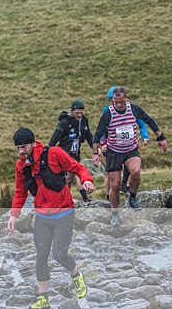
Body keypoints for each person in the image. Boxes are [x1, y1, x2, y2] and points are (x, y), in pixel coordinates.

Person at [7, 127, 95, 309]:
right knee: (41, 257)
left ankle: (76, 276)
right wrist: (14, 215)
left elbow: (77, 167)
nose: (21, 152)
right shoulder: (20, 166)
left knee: (59, 254)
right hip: (42, 217)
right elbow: (20, 191)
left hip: (64, 214)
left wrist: (86, 180)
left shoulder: (53, 154)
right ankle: (43, 299)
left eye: (23, 147)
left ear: (32, 143)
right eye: (17, 148)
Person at [93, 86, 166, 222]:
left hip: (131, 149)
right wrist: (95, 153)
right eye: (116, 102)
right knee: (115, 184)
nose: (119, 105)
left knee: (136, 172)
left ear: (126, 99)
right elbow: (97, 134)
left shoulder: (134, 109)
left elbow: (149, 121)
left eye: (121, 102)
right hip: (114, 151)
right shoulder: (108, 113)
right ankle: (115, 214)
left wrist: (160, 138)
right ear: (112, 101)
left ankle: (132, 196)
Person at [101, 86, 151, 198]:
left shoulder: (130, 110)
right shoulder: (107, 111)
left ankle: (127, 190)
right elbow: (102, 129)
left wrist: (145, 136)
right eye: (112, 101)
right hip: (111, 147)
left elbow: (141, 122)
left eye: (119, 102)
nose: (115, 104)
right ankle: (108, 196)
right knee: (110, 174)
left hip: (128, 146)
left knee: (132, 170)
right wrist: (103, 143)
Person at [48, 100, 94, 202]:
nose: (79, 115)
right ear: (72, 111)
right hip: (64, 153)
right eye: (77, 113)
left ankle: (76, 198)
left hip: (75, 153)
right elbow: (54, 139)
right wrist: (48, 152)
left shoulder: (84, 121)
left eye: (81, 113)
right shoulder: (65, 122)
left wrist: (95, 149)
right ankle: (64, 199)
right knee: (67, 179)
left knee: (74, 174)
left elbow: (89, 136)